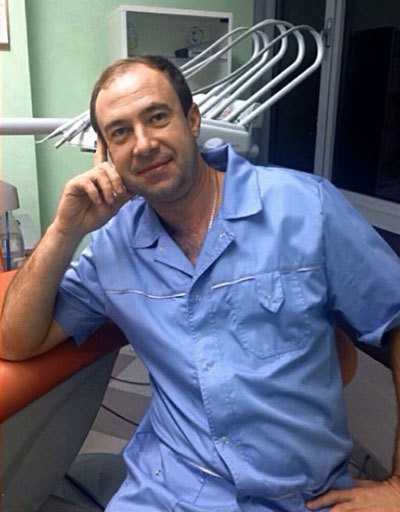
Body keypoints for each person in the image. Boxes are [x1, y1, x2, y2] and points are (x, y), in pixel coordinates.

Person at [1, 56, 400, 512]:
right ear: (106, 153)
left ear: (192, 120)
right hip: (166, 491)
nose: (143, 144)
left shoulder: (304, 207)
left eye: (157, 117)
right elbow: (15, 340)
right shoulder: (114, 247)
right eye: (121, 133)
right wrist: (64, 230)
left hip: (297, 496)